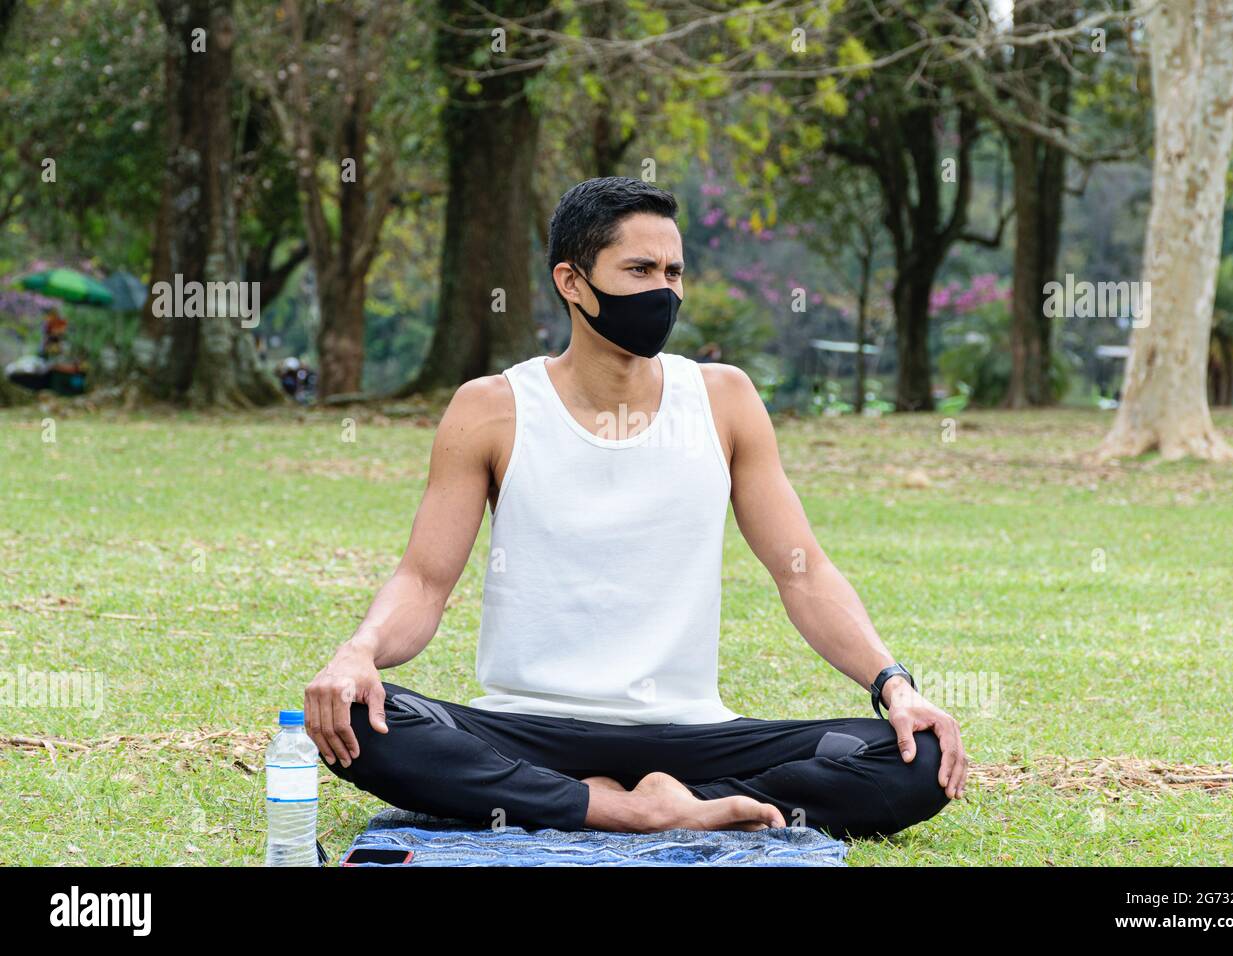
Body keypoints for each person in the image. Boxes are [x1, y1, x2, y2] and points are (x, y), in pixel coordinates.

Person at [305, 176, 968, 840]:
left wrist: (896, 686)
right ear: (572, 281)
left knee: (917, 757)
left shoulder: (724, 398)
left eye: (675, 271)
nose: (665, 291)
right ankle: (628, 810)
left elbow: (803, 572)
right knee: (361, 720)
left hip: (688, 733)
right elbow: (424, 580)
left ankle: (646, 799)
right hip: (530, 728)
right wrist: (357, 652)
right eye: (641, 269)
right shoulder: (492, 408)